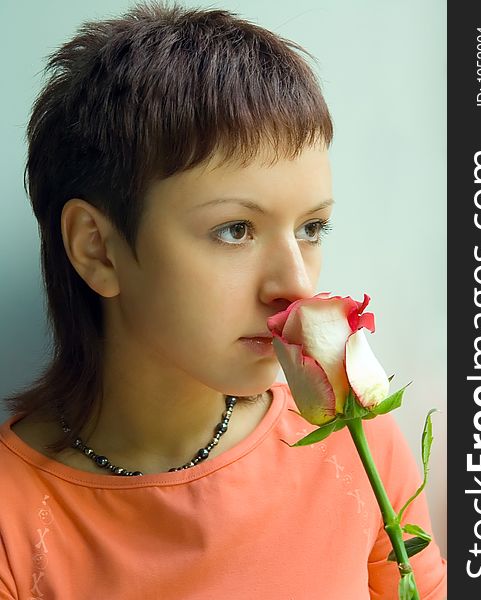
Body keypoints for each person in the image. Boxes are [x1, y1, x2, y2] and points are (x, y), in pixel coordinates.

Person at [0, 2, 446, 598]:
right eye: (235, 229)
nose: (297, 286)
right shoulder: (14, 521)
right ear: (98, 250)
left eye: (312, 228)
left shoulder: (358, 445)